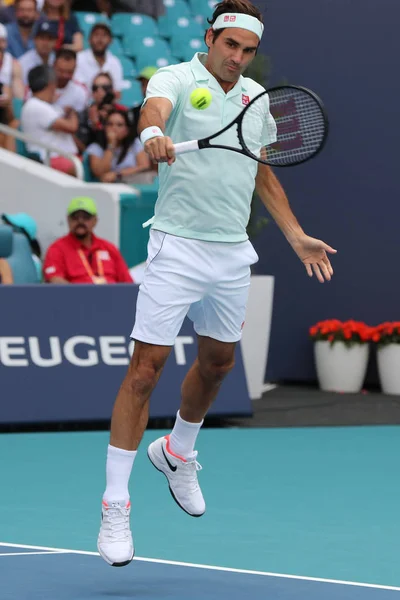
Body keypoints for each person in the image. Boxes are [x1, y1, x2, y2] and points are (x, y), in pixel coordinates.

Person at [96, 0, 337, 568]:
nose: (238, 58)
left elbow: (260, 167)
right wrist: (153, 131)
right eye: (230, 45)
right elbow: (152, 111)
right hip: (176, 246)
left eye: (248, 51)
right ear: (209, 37)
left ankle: (178, 451)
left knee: (219, 365)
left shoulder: (255, 99)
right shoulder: (176, 78)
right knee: (145, 369)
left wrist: (296, 234)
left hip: (231, 251)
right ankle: (114, 505)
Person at [43, 196, 134, 284]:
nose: (80, 221)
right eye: (75, 217)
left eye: (86, 217)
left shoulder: (109, 248)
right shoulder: (57, 249)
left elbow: (128, 283)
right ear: (68, 220)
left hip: (113, 297)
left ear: (95, 220)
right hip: (74, 298)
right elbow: (54, 280)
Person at [21, 64, 79, 175]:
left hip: (62, 158)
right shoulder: (36, 105)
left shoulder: (43, 105)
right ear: (51, 84)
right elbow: (72, 127)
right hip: (51, 159)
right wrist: (72, 112)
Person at [87, 109, 150, 183]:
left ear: (127, 130)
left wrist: (117, 174)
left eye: (119, 125)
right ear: (104, 128)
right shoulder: (95, 147)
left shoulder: (135, 144)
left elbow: (144, 166)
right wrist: (111, 145)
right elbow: (99, 172)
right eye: (110, 124)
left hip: (132, 186)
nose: (114, 128)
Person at [76, 71, 125, 151]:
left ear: (112, 90)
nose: (100, 91)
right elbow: (85, 148)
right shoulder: (84, 115)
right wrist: (94, 125)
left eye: (105, 88)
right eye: (95, 88)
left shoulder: (122, 112)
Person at [74, 23, 123, 96]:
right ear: (89, 39)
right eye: (96, 35)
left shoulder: (115, 62)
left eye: (104, 35)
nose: (100, 39)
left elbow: (117, 93)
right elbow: (76, 89)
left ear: (110, 40)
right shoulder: (79, 59)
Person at [19, 19, 56, 85]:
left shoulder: (58, 60)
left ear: (55, 42)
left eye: (50, 39)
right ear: (34, 40)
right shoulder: (23, 62)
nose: (45, 43)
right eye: (42, 38)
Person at [53, 48, 88, 112]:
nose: (65, 75)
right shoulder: (40, 86)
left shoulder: (80, 91)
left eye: (69, 72)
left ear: (75, 68)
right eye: (61, 71)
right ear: (53, 66)